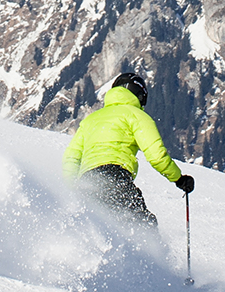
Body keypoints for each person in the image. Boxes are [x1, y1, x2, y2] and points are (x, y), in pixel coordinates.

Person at [62, 70, 195, 226]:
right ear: (139, 95)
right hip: (115, 178)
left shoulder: (90, 120)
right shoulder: (136, 115)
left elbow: (71, 157)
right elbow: (156, 156)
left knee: (99, 229)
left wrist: (73, 189)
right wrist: (179, 179)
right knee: (144, 227)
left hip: (87, 183)